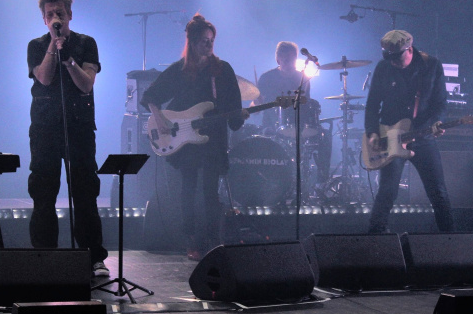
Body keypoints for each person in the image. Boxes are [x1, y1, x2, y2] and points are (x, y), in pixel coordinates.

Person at [140, 14, 246, 260]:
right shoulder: (179, 70)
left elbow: (233, 105)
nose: (209, 45)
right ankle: (191, 241)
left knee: (211, 191)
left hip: (214, 139)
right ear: (192, 42)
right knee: (187, 189)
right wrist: (160, 118)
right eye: (204, 41)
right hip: (185, 140)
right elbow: (150, 96)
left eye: (211, 41)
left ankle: (213, 241)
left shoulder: (222, 70)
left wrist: (238, 117)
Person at [27, 0, 109, 277]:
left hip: (79, 127)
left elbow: (86, 85)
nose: (55, 18)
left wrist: (69, 59)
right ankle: (45, 255)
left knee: (85, 190)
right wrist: (53, 44)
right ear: (44, 18)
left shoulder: (87, 44)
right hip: (45, 128)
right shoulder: (36, 46)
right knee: (43, 191)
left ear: (69, 14)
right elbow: (44, 77)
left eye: (59, 13)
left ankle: (93, 257)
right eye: (50, 14)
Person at [364, 29, 454, 233]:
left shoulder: (431, 66)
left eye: (396, 57)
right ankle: (374, 238)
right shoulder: (383, 68)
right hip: (392, 137)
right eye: (389, 57)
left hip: (422, 136)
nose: (393, 61)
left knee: (438, 193)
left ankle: (451, 240)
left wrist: (436, 123)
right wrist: (372, 132)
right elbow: (372, 105)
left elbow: (440, 104)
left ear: (410, 50)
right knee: (387, 192)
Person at [257, 41, 331, 184]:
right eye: (284, 59)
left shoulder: (302, 78)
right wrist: (256, 103)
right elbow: (256, 105)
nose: (287, 62)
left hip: (299, 125)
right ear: (277, 59)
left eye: (290, 59)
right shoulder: (266, 78)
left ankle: (322, 182)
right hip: (272, 126)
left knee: (325, 136)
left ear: (295, 59)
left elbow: (307, 104)